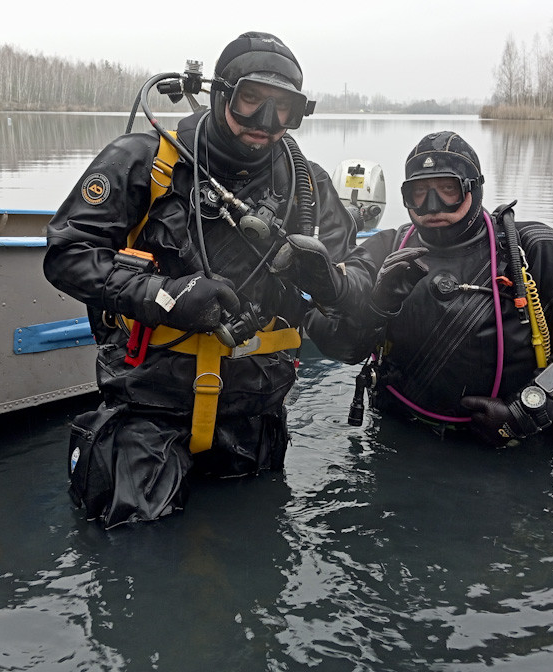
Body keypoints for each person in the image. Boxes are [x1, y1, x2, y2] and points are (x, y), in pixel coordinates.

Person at [44, 31, 374, 527]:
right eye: (251, 100)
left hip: (253, 415)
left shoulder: (308, 185)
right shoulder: (146, 161)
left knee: (255, 567)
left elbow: (357, 280)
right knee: (135, 558)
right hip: (149, 410)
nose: (266, 122)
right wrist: (163, 297)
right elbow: (67, 253)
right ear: (220, 92)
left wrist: (333, 284)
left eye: (283, 108)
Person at [305, 131, 553, 446]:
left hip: (509, 447)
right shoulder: (386, 249)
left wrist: (529, 407)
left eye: (448, 189)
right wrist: (375, 306)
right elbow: (339, 346)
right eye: (420, 192)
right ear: (405, 196)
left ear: (473, 188)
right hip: (399, 438)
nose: (433, 205)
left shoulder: (532, 250)